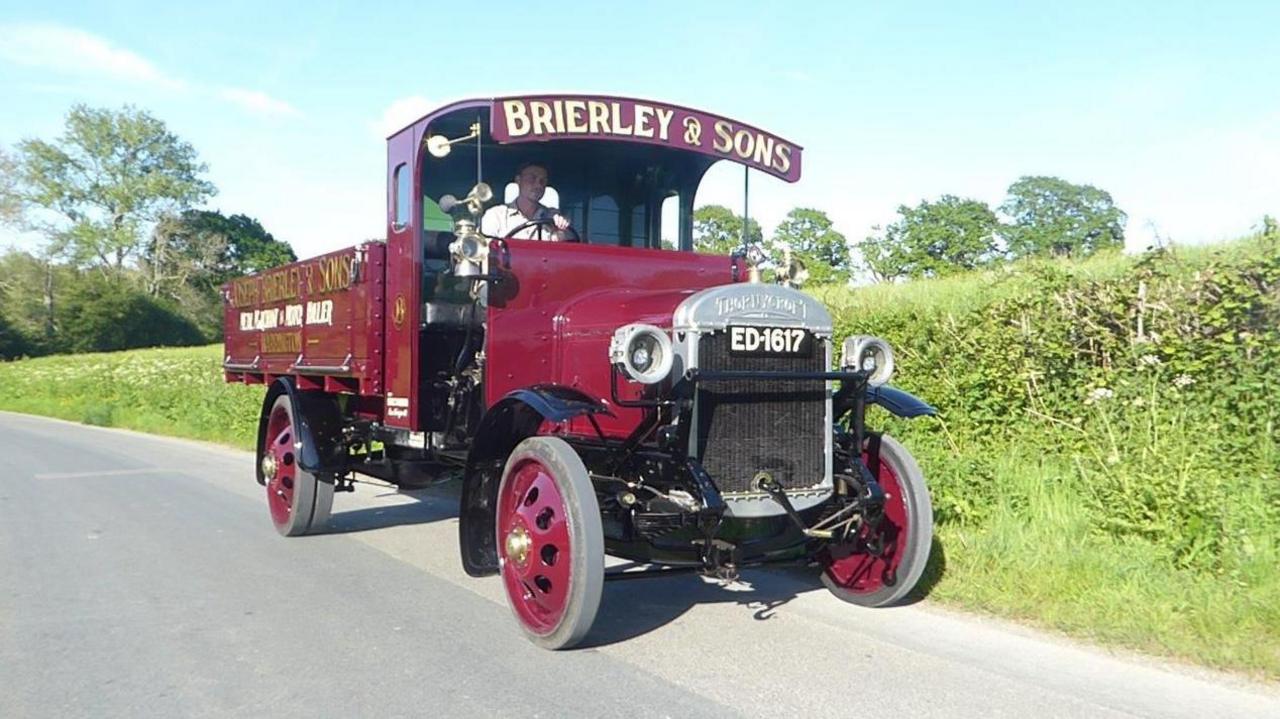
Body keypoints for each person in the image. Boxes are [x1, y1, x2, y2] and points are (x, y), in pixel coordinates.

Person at [480, 162, 573, 240]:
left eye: (542, 181)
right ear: (518, 180)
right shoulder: (496, 215)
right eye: (532, 178)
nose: (538, 185)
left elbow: (569, 249)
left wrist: (561, 229)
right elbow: (486, 252)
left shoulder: (552, 217)